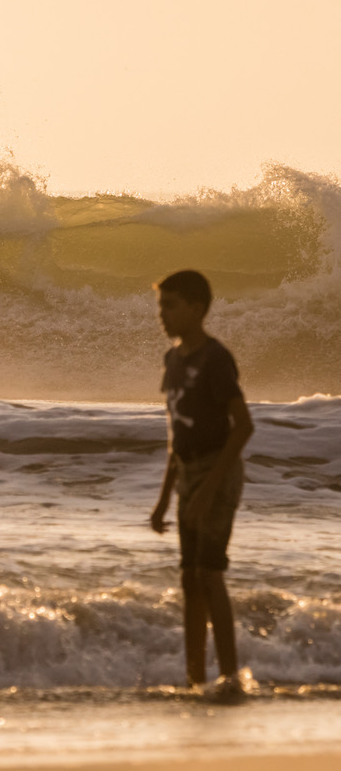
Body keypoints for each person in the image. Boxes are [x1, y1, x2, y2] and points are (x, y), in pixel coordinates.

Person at [149, 270, 254, 692]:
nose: (163, 314)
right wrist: (162, 500)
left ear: (197, 308)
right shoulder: (172, 360)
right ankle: (195, 679)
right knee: (189, 578)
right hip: (187, 473)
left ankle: (229, 677)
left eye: (171, 305)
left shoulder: (215, 358)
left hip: (218, 473)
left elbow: (243, 427)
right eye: (160, 305)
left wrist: (209, 489)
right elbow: (178, 431)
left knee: (210, 575)